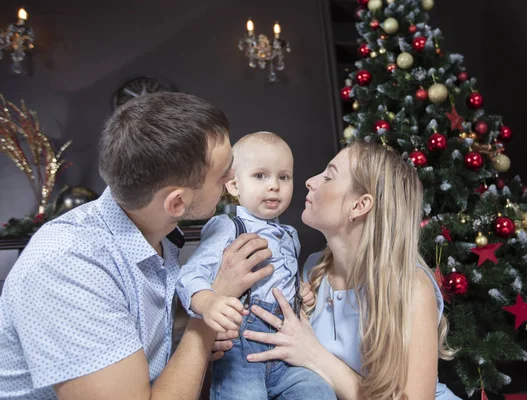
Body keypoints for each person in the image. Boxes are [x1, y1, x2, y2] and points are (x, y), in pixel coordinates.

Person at [0, 92, 276, 400]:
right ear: (177, 202)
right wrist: (210, 311)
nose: (232, 178)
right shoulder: (68, 264)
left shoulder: (157, 232)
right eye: (223, 173)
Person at [240, 142, 462, 400]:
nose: (310, 181)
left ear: (359, 205)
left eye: (329, 176)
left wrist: (314, 355)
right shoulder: (312, 270)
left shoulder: (410, 286)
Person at [176, 131, 336, 400]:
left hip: (287, 343)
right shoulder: (228, 227)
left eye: (283, 177)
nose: (274, 185)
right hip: (242, 346)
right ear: (234, 186)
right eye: (260, 176)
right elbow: (190, 275)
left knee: (318, 392)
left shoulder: (289, 235)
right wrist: (209, 303)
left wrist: (301, 292)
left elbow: (282, 279)